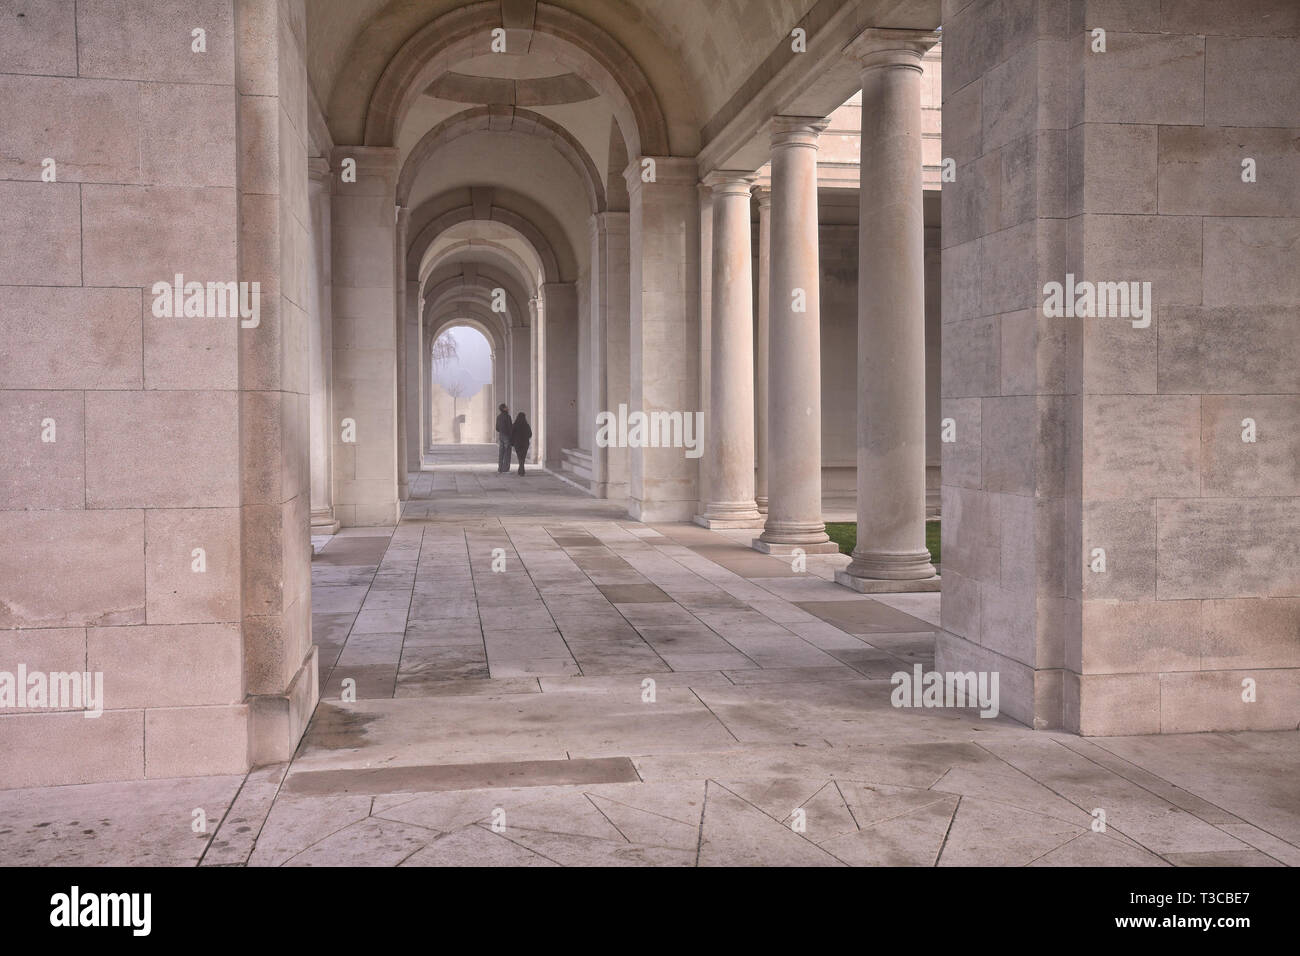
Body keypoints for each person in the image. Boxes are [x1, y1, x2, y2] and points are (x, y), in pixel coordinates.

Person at [510, 412, 532, 476]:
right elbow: (530, 434)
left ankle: (521, 470)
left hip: (517, 443)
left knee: (519, 457)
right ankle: (521, 470)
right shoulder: (526, 425)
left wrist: (512, 442)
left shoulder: (515, 425)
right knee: (523, 457)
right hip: (525, 443)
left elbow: (512, 434)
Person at [494, 403, 512, 473]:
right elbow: (510, 428)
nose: (508, 408)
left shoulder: (498, 417)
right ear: (504, 409)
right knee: (507, 453)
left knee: (501, 452)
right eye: (506, 407)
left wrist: (501, 431)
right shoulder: (508, 417)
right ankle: (506, 469)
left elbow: (497, 428)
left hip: (501, 435)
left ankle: (500, 468)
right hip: (506, 436)